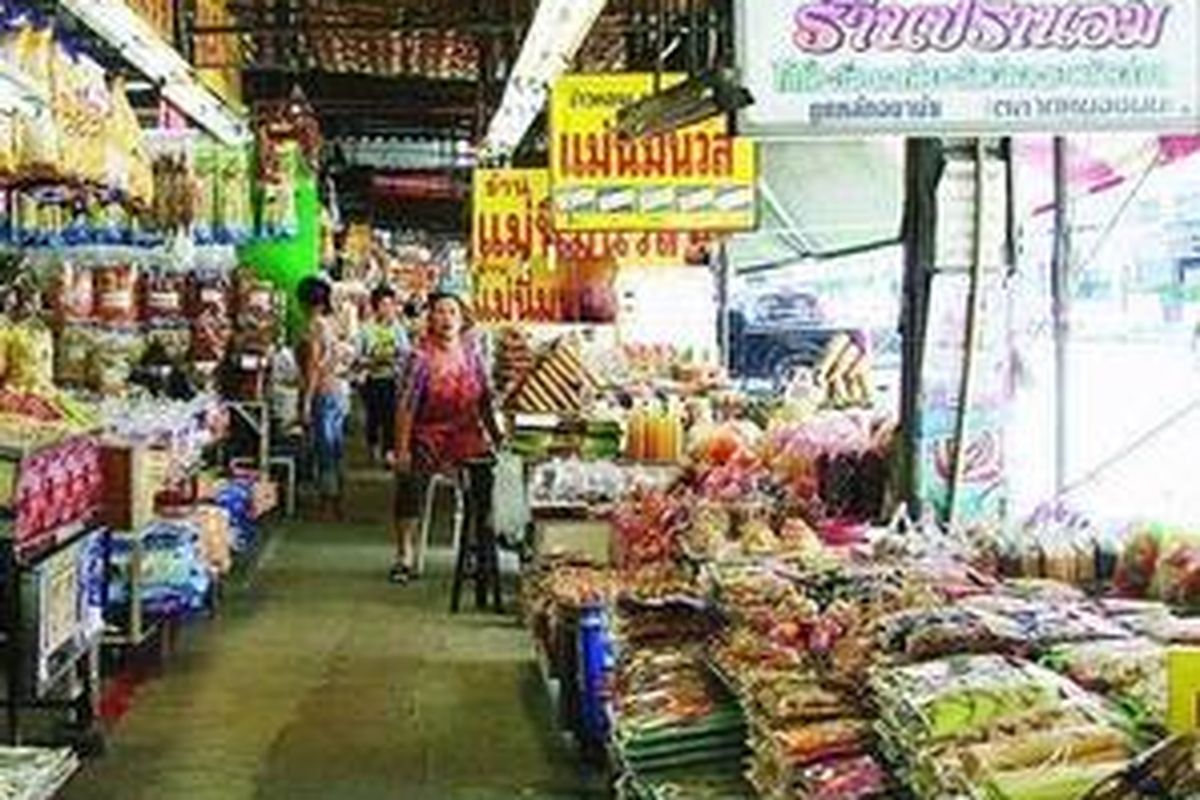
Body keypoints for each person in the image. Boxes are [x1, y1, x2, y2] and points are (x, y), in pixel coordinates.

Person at [390, 291, 503, 585]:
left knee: (484, 481)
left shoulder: (473, 355)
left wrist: (497, 437)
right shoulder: (418, 358)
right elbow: (405, 407)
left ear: (463, 319)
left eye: (453, 312)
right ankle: (405, 553)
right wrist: (401, 449)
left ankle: (474, 550)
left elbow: (484, 401)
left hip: (465, 433)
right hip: (427, 433)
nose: (447, 318)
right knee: (409, 480)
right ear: (430, 319)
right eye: (440, 312)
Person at [299, 276, 352, 520]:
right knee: (336, 447)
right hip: (339, 390)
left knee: (325, 449)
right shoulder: (331, 324)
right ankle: (338, 500)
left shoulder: (314, 326)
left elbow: (313, 367)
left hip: (324, 391)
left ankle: (328, 504)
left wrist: (306, 401)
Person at [358, 285, 410, 464]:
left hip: (392, 380)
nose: (388, 309)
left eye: (390, 305)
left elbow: (406, 353)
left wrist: (396, 357)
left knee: (390, 417)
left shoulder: (398, 329)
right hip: (372, 380)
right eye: (383, 305)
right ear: (375, 306)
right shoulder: (365, 329)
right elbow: (358, 356)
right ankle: (372, 446)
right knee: (374, 416)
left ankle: (388, 451)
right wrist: (372, 360)